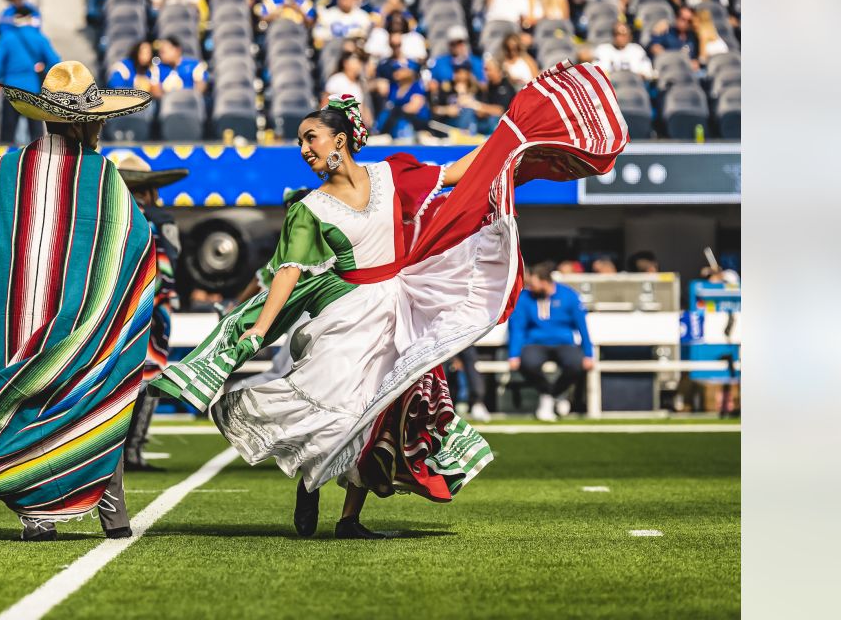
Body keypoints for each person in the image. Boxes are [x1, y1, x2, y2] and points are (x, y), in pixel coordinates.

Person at [153, 61, 628, 538]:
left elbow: (460, 173)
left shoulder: (390, 175)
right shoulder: (309, 209)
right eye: (301, 141)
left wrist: (509, 140)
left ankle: (350, 519)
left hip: (400, 306)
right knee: (332, 404)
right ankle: (311, 481)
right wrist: (258, 330)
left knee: (381, 411)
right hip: (347, 315)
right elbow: (287, 273)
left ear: (339, 140)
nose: (303, 149)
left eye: (310, 138)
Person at [0, 60, 156, 541]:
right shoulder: (101, 176)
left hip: (13, 329)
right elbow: (134, 246)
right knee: (96, 394)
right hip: (82, 322)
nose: (101, 126)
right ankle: (111, 512)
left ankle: (36, 516)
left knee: (26, 409)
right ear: (85, 122)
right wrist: (100, 303)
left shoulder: (1, 174)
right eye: (98, 119)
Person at [111, 154, 189, 472]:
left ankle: (115, 452)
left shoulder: (117, 216)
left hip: (122, 308)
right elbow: (170, 258)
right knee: (148, 376)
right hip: (152, 309)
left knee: (120, 379)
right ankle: (133, 450)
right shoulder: (160, 218)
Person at [507, 261, 595, 421]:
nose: (530, 286)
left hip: (564, 343)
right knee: (527, 362)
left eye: (533, 283)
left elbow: (582, 326)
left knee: (576, 363)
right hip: (535, 343)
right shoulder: (525, 298)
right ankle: (549, 394)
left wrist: (589, 353)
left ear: (544, 281)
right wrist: (513, 354)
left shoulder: (569, 295)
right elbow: (517, 328)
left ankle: (555, 394)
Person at [0, 7, 62, 144]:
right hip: (33, 91)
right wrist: (43, 68)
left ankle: (7, 164)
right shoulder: (39, 38)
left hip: (11, 91)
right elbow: (55, 62)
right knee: (36, 138)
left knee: (7, 137)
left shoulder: (7, 39)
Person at [431, 64, 486, 134]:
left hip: (472, 123)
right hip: (450, 124)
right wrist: (446, 110)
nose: (459, 75)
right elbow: (435, 109)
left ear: (468, 74)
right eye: (457, 72)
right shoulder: (447, 89)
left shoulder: (477, 90)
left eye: (462, 72)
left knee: (468, 109)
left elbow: (481, 110)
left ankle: (465, 134)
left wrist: (462, 94)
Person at [478, 58, 518, 132]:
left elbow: (500, 111)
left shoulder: (505, 87)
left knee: (493, 119)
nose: (485, 73)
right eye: (485, 70)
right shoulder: (489, 86)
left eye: (488, 70)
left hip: (506, 125)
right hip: (487, 121)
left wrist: (479, 107)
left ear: (498, 71)